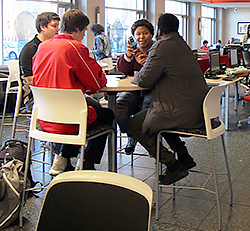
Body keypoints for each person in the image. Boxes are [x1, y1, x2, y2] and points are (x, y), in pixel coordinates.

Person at [129, 13, 209, 185]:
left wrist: (135, 76)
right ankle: (184, 156)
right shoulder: (182, 44)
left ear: (159, 30)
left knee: (133, 124)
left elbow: (144, 80)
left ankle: (173, 165)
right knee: (154, 117)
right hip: (196, 108)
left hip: (180, 111)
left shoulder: (161, 46)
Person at [32, 9, 114, 174]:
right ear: (77, 29)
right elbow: (96, 82)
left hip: (44, 117)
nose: (84, 35)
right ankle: (87, 162)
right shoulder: (75, 47)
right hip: (68, 120)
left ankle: (62, 157)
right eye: (83, 31)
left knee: (86, 108)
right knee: (107, 115)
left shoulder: (42, 47)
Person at [115, 18, 155, 154]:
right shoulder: (133, 52)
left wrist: (147, 64)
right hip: (134, 90)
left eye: (145, 33)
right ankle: (132, 135)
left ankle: (152, 144)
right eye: (138, 34)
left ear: (151, 35)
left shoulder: (158, 50)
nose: (141, 37)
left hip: (152, 90)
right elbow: (123, 70)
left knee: (146, 112)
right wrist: (127, 56)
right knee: (118, 107)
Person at [19, 12, 60, 85]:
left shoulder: (53, 46)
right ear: (43, 27)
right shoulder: (29, 50)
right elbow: (30, 79)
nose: (58, 29)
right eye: (54, 26)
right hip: (37, 91)